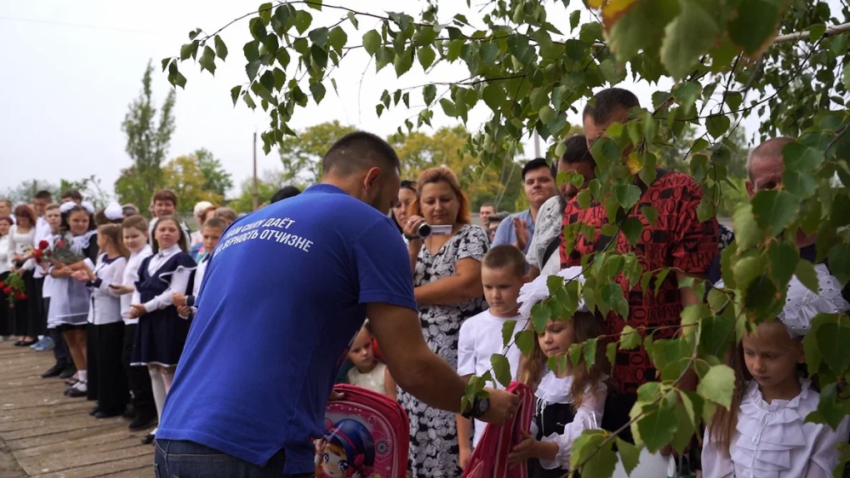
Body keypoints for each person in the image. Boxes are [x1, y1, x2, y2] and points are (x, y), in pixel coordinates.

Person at [154, 132, 517, 478]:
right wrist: (482, 403)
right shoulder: (371, 227)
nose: (392, 213)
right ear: (372, 179)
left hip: (173, 434)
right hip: (255, 449)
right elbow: (413, 368)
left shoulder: (244, 225)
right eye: (392, 201)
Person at [561, 87, 718, 398]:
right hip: (597, 387)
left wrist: (683, 376)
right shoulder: (578, 207)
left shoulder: (680, 194)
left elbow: (694, 299)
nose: (603, 152)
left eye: (611, 140)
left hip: (663, 377)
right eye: (594, 143)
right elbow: (572, 303)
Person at [702, 265, 850, 477]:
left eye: (770, 356)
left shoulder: (823, 417)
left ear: (801, 352)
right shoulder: (730, 404)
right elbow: (716, 470)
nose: (757, 365)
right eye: (749, 352)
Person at [401, 166, 491, 477]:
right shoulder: (416, 241)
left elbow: (468, 284)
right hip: (417, 361)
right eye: (429, 201)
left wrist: (412, 296)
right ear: (419, 206)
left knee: (453, 446)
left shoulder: (470, 235)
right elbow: (396, 283)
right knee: (419, 443)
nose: (438, 207)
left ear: (458, 201)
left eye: (445, 199)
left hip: (455, 360)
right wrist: (412, 243)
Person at [508, 268, 608, 477]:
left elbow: (584, 438)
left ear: (580, 330)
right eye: (540, 333)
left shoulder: (591, 384)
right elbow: (532, 419)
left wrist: (537, 448)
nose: (547, 339)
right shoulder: (541, 377)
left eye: (555, 330)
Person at [457, 245, 529, 469]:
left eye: (504, 286)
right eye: (487, 286)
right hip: (485, 435)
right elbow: (464, 389)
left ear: (524, 282)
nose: (495, 295)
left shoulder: (534, 322)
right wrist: (464, 446)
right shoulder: (472, 327)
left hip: (527, 433)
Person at [129, 216, 196, 445]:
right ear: (154, 233)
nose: (166, 233)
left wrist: (144, 308)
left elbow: (173, 293)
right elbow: (139, 287)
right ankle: (161, 422)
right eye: (162, 229)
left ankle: (174, 424)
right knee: (153, 370)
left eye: (171, 230)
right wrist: (135, 307)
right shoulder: (147, 260)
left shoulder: (182, 259)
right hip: (148, 320)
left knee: (169, 371)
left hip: (168, 320)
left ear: (179, 235)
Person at [71, 224, 129, 418]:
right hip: (95, 315)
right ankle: (102, 399)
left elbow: (115, 290)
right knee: (98, 361)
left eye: (99, 237)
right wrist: (87, 280)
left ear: (106, 238)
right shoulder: (102, 258)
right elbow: (97, 284)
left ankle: (114, 403)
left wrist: (94, 279)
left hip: (110, 318)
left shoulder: (119, 262)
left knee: (109, 362)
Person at [49, 203, 99, 398]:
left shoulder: (92, 239)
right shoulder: (60, 240)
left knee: (82, 337)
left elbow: (91, 263)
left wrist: (76, 267)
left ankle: (91, 378)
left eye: (84, 220)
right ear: (67, 221)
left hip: (83, 291)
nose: (80, 224)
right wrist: (61, 270)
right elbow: (52, 270)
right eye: (76, 220)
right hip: (63, 291)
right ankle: (82, 376)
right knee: (69, 336)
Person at [526, 136, 591, 280]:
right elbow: (535, 269)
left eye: (578, 180)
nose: (568, 189)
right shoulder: (549, 208)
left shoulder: (612, 219)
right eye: (563, 179)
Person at [114, 215, 157, 431]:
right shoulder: (134, 255)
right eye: (126, 237)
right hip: (128, 312)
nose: (130, 241)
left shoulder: (147, 255)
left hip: (139, 313)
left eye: (134, 236)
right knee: (129, 361)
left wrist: (127, 289)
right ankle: (139, 403)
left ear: (146, 235)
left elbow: (146, 284)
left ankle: (146, 408)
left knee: (135, 363)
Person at [492, 158, 558, 253]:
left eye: (543, 180)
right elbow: (492, 265)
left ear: (557, 182)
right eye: (530, 182)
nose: (536, 185)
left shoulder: (570, 220)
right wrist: (518, 246)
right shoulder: (508, 224)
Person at [39, 204, 75, 377]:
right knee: (53, 326)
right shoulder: (46, 237)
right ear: (45, 218)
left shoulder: (67, 237)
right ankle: (60, 360)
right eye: (50, 215)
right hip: (49, 282)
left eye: (56, 215)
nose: (53, 218)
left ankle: (70, 362)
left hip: (62, 282)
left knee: (65, 326)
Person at [173, 217, 226, 319]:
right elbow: (197, 293)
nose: (209, 241)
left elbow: (218, 296)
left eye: (215, 237)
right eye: (206, 237)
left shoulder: (226, 263)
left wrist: (186, 300)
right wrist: (187, 311)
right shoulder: (201, 263)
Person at [8, 205, 38, 346]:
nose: (22, 222)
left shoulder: (35, 229)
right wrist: (11, 266)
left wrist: (24, 267)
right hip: (16, 264)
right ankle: (21, 332)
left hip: (29, 265)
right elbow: (10, 248)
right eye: (19, 220)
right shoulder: (13, 229)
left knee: (29, 301)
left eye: (24, 220)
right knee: (18, 299)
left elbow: (35, 249)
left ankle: (31, 333)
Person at [30, 190, 55, 351]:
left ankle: (51, 336)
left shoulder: (50, 223)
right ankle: (46, 335)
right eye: (37, 205)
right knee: (41, 305)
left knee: (49, 305)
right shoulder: (39, 222)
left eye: (42, 205)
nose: (39, 208)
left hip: (48, 266)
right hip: (39, 267)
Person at [345, 322, 391, 396]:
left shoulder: (385, 372)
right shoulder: (350, 375)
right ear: (347, 355)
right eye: (357, 350)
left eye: (367, 345)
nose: (365, 352)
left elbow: (393, 405)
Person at [0, 216, 13, 341]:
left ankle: (8, 330)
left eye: (5, 224)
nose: (2, 227)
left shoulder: (10, 239)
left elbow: (4, 255)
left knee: (6, 303)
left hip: (7, 273)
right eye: (0, 225)